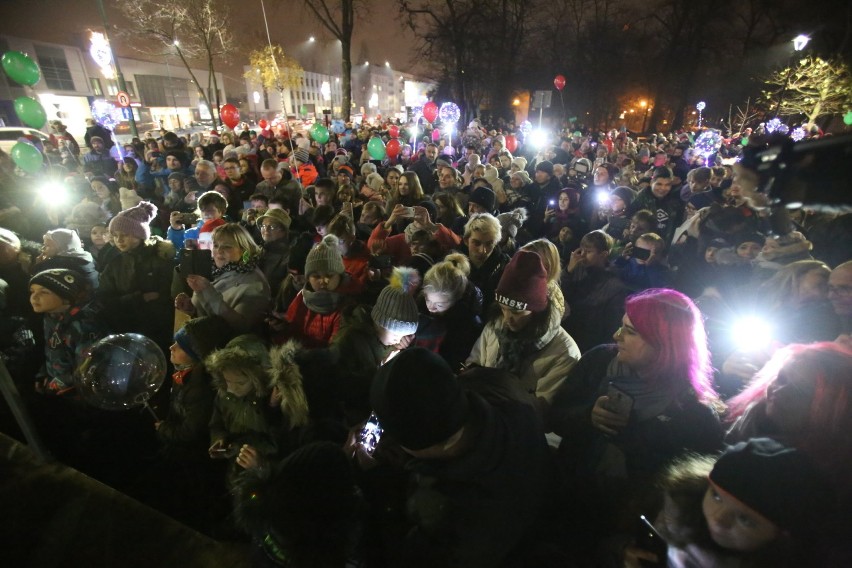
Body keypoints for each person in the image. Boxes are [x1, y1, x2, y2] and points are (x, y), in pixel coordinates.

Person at [549, 288, 724, 542]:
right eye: (622, 326)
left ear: (666, 342)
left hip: (625, 533)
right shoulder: (598, 362)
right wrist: (587, 417)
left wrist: (630, 436)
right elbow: (554, 415)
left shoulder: (694, 415)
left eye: (630, 332)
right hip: (564, 505)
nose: (616, 335)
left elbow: (686, 496)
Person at [364, 348, 553, 567]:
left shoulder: (450, 518)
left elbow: (400, 554)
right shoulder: (500, 388)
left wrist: (377, 485)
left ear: (415, 444)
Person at [623, 438, 838, 568]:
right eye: (716, 496)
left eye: (745, 519)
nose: (719, 518)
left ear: (784, 535)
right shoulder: (680, 513)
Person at [725, 342, 852, 509]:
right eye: (781, 379)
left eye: (799, 391)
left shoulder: (827, 482)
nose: (779, 391)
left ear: (834, 409)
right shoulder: (746, 423)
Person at [467, 250, 580, 404]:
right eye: (502, 308)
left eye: (516, 312)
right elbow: (474, 362)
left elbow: (540, 409)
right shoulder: (496, 325)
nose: (507, 319)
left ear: (537, 311)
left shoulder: (565, 354)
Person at [98, 201, 175, 349]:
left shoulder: (160, 258)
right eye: (115, 235)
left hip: (158, 331)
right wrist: (139, 298)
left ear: (139, 235)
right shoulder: (114, 262)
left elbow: (167, 294)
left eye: (124, 235)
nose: (119, 240)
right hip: (125, 328)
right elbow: (105, 298)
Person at [175, 223, 271, 334]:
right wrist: (192, 309)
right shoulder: (216, 271)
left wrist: (206, 291)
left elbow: (240, 327)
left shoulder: (255, 284)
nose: (219, 251)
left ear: (244, 250)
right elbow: (208, 314)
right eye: (215, 245)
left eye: (227, 246)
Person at [30, 269, 108, 394]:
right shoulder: (51, 317)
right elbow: (53, 348)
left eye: (44, 292)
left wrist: (58, 383)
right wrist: (45, 372)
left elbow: (88, 366)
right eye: (32, 291)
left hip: (81, 392)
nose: (34, 297)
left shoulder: (82, 323)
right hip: (59, 384)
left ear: (66, 297)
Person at [275, 235, 349, 349]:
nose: (323, 281)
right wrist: (281, 327)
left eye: (329, 275)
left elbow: (334, 352)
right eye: (316, 276)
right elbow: (291, 331)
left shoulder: (345, 308)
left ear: (340, 276)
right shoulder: (302, 297)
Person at [562, 230, 629, 353]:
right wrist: (568, 272)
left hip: (588, 343)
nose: (582, 255)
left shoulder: (614, 286)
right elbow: (562, 296)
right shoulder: (576, 269)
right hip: (567, 333)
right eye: (581, 250)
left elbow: (611, 324)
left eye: (588, 252)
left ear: (603, 254)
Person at [414, 253, 484, 370]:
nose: (431, 307)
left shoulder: (468, 324)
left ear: (455, 300)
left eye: (439, 304)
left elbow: (456, 359)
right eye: (428, 299)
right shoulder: (420, 305)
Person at [458, 213, 509, 312]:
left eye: (489, 244)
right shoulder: (452, 263)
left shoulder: (506, 268)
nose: (483, 250)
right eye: (476, 243)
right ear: (466, 240)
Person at [31, 228, 98, 293]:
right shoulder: (87, 257)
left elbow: (39, 282)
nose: (43, 248)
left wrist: (38, 265)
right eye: (44, 244)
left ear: (61, 246)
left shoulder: (55, 264)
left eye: (48, 245)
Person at [255, 208, 291, 295]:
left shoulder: (288, 256)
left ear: (283, 230)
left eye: (271, 226)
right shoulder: (259, 250)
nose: (266, 230)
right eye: (263, 226)